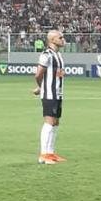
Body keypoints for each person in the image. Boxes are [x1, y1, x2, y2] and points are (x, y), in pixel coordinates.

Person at [34, 29, 67, 165]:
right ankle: (43, 154)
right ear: (52, 40)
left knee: (56, 122)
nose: (63, 39)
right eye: (60, 37)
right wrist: (41, 87)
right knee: (49, 122)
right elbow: (38, 74)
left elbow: (57, 75)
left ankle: (51, 152)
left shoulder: (58, 55)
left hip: (58, 93)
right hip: (49, 93)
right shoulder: (46, 55)